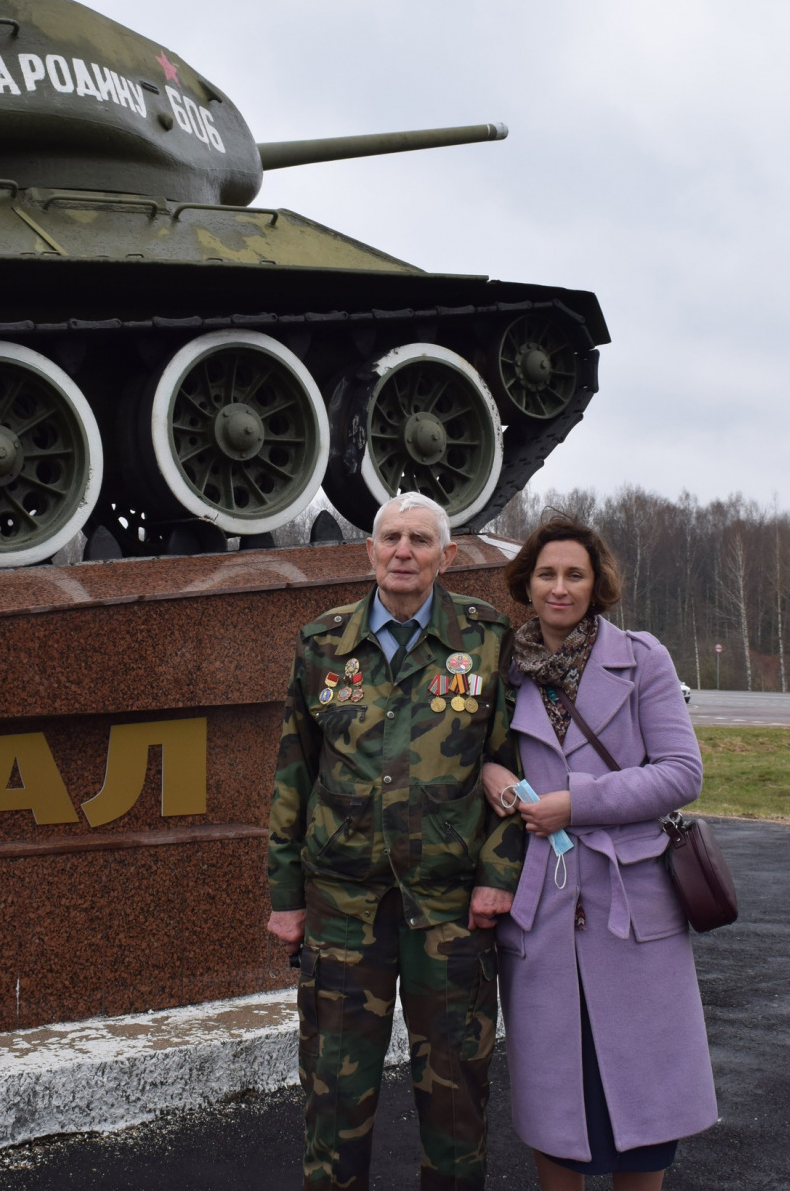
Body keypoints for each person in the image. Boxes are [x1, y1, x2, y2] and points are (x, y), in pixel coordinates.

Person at [266, 491, 527, 1191]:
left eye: (419, 539)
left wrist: (499, 876)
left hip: (450, 913)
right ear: (370, 552)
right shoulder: (323, 642)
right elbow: (295, 771)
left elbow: (515, 766)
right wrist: (285, 897)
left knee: (455, 1103)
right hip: (343, 910)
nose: (402, 551)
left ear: (446, 556)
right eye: (390, 538)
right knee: (333, 1098)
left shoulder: (487, 638)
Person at [480, 518, 716, 1190]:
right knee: (558, 1103)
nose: (560, 588)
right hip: (544, 911)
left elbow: (680, 773)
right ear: (526, 581)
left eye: (574, 575)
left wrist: (575, 802)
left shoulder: (643, 659)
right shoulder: (505, 672)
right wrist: (492, 776)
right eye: (547, 574)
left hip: (631, 908)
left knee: (643, 1107)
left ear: (597, 583)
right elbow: (478, 756)